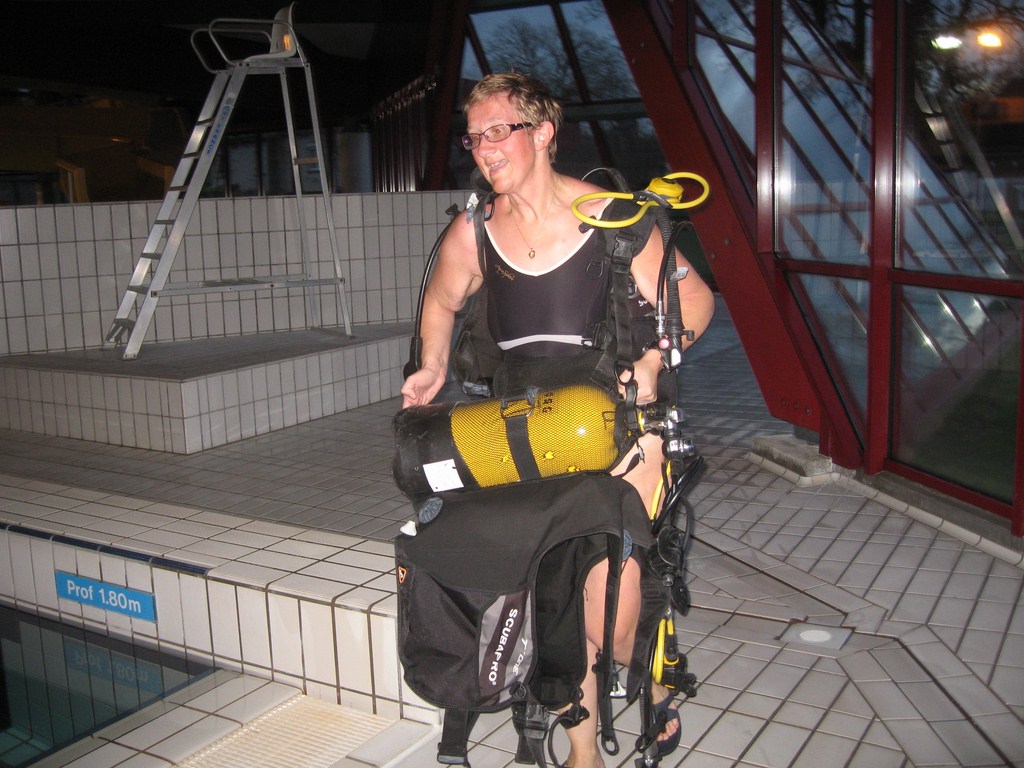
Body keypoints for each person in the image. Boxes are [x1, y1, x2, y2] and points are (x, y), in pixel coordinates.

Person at [401, 72, 714, 768]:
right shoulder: (474, 230)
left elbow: (694, 307)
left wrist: (653, 365)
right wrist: (431, 365)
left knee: (615, 618)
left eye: (498, 131)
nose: (484, 148)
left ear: (542, 132)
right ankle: (582, 749)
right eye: (474, 137)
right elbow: (442, 301)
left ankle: (655, 672)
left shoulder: (612, 220)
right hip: (525, 427)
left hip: (620, 422)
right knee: (551, 593)